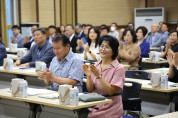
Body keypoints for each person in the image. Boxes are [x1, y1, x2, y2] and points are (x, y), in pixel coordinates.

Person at [82, 35, 125, 118]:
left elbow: (110, 91)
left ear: (113, 50)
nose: (103, 49)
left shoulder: (118, 68)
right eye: (101, 46)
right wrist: (89, 76)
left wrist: (99, 76)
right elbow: (90, 90)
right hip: (97, 103)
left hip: (112, 106)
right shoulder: (96, 65)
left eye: (107, 47)